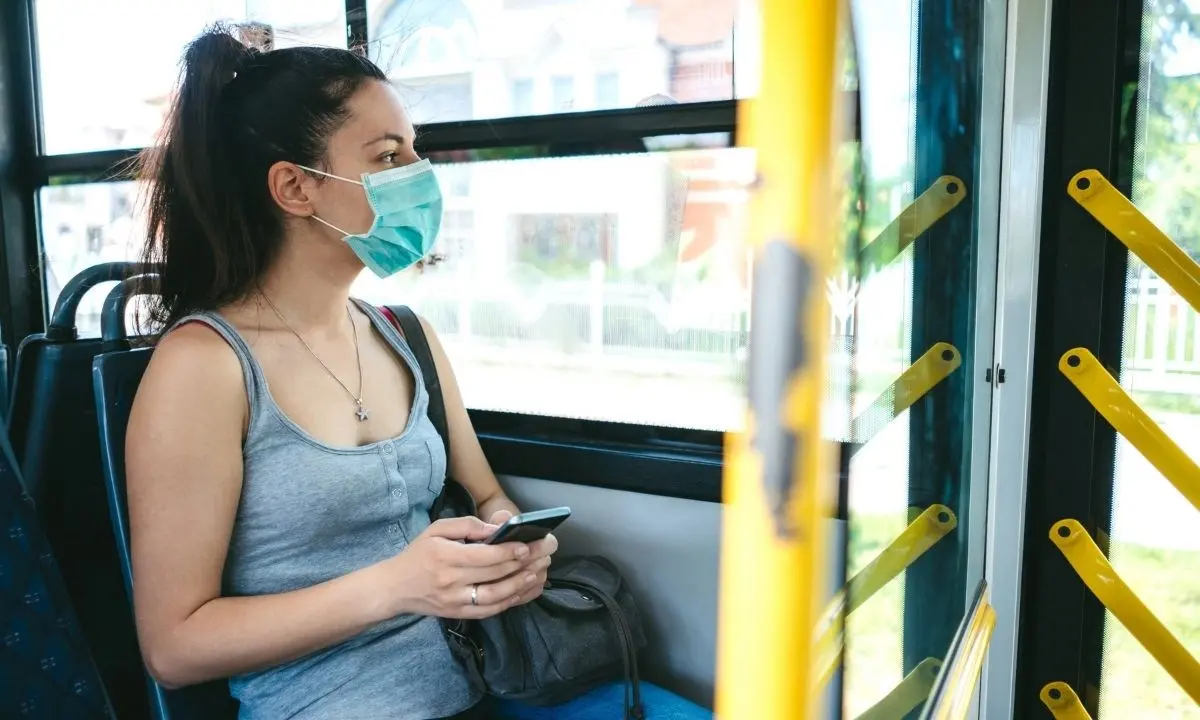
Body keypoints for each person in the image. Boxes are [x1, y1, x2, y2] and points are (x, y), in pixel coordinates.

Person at [125, 25, 710, 720]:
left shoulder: (406, 336)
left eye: (415, 151)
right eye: (389, 154)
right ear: (295, 188)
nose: (419, 175)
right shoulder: (204, 368)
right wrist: (399, 586)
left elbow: (487, 495)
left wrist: (509, 549)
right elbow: (174, 646)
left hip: (484, 682)